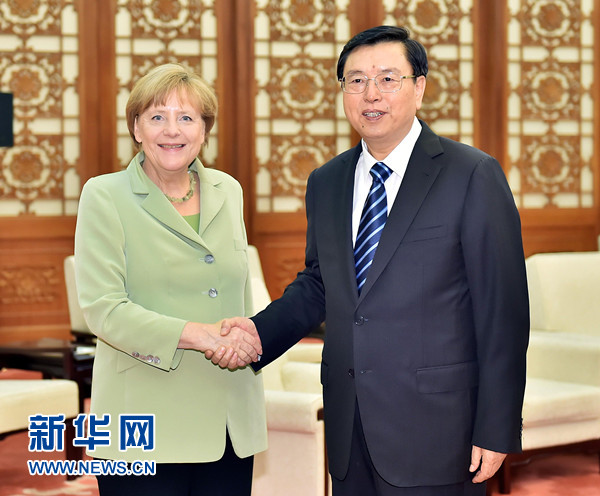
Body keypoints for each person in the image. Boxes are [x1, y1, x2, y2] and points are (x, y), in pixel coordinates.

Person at [215, 26, 530, 496]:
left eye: (387, 78)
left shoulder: (471, 174)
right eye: (356, 80)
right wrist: (257, 334)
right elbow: (320, 284)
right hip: (350, 427)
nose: (371, 94)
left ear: (419, 87)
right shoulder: (327, 181)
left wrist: (497, 426)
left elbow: (502, 312)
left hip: (439, 429)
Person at [74, 63, 266, 496]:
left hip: (229, 417)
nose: (172, 130)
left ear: (204, 130)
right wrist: (197, 334)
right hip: (143, 421)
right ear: (136, 128)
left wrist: (251, 340)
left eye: (187, 117)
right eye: (157, 116)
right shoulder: (104, 195)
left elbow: (239, 295)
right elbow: (105, 310)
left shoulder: (228, 190)